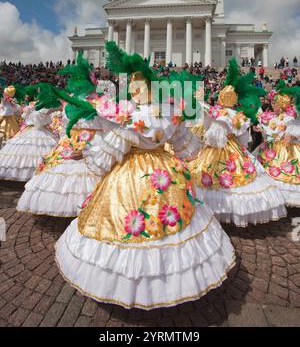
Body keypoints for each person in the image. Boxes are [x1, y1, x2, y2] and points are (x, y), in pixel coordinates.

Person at [54, 41, 235, 310]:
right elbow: (187, 148)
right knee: (174, 218)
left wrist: (91, 155)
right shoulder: (169, 114)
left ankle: (136, 287)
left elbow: (107, 154)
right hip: (165, 170)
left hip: (129, 175)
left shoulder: (129, 118)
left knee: (128, 222)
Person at [189, 58, 286, 226]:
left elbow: (214, 138)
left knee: (213, 179)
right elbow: (243, 138)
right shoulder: (236, 115)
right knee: (240, 179)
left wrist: (204, 144)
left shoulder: (220, 115)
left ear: (221, 98)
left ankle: (218, 211)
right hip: (235, 150)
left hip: (217, 151)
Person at [17, 54, 106, 216]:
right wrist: (46, 107)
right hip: (67, 145)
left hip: (93, 146)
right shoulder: (67, 101)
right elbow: (39, 118)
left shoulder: (103, 103)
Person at [0, 86, 58, 181]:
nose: (26, 97)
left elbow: (25, 117)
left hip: (33, 130)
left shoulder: (31, 106)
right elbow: (44, 120)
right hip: (37, 130)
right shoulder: (38, 106)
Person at [256, 81, 300, 207]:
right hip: (274, 147)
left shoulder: (287, 118)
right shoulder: (276, 116)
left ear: (280, 105)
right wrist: (262, 128)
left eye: (274, 103)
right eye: (272, 103)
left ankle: (282, 199)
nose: (272, 105)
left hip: (285, 150)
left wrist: (263, 130)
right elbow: (270, 128)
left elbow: (277, 134)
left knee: (284, 172)